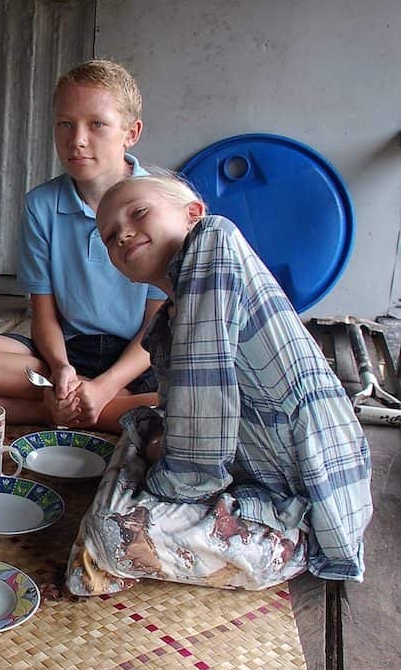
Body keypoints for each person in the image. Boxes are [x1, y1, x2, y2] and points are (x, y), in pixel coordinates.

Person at [63, 173, 372, 595]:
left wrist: (159, 481)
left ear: (192, 214)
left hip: (306, 507)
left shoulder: (214, 241)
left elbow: (198, 446)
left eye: (138, 213)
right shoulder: (167, 324)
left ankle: (286, 548)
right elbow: (187, 421)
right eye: (110, 236)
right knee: (142, 426)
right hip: (246, 472)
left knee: (111, 530)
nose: (123, 235)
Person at [0, 60, 162, 432]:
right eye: (65, 124)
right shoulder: (41, 205)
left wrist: (107, 383)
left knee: (188, 400)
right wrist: (61, 367)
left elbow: (155, 326)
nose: (77, 139)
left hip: (136, 355)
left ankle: (53, 409)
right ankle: (97, 407)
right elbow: (44, 315)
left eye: (96, 124)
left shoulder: (157, 206)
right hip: (63, 352)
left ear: (131, 132)